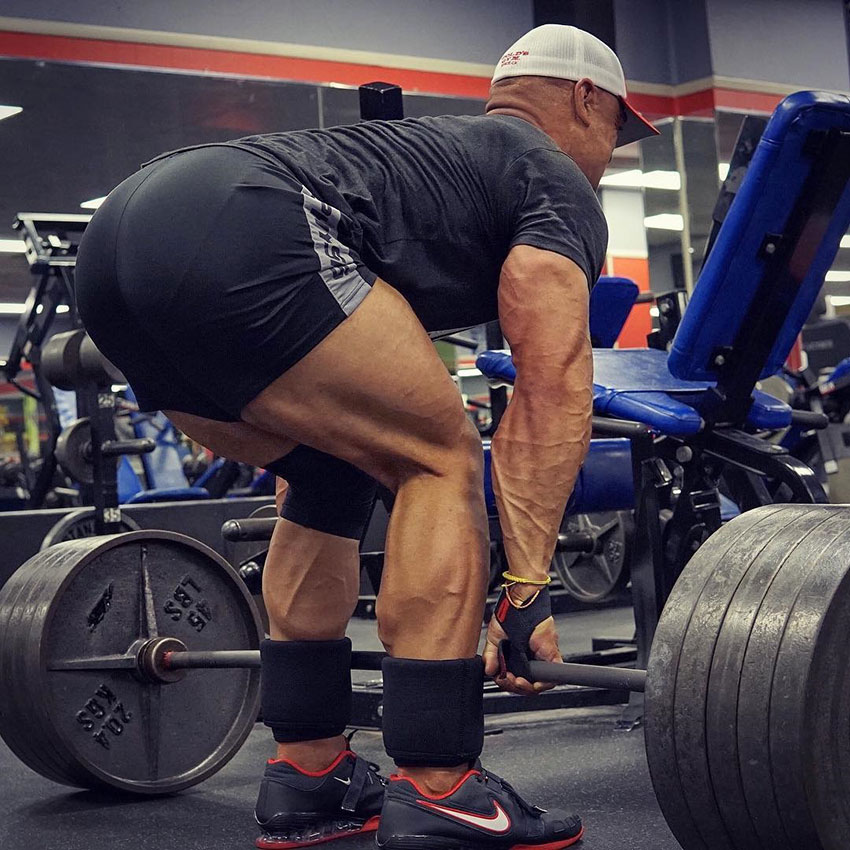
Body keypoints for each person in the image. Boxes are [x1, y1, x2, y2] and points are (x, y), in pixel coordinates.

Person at [74, 23, 657, 850]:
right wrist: (526, 587)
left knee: (329, 469)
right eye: (615, 131)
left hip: (118, 243)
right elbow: (552, 379)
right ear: (585, 99)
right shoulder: (552, 177)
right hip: (242, 220)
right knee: (441, 454)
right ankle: (441, 784)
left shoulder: (437, 157)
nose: (610, 154)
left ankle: (307, 773)